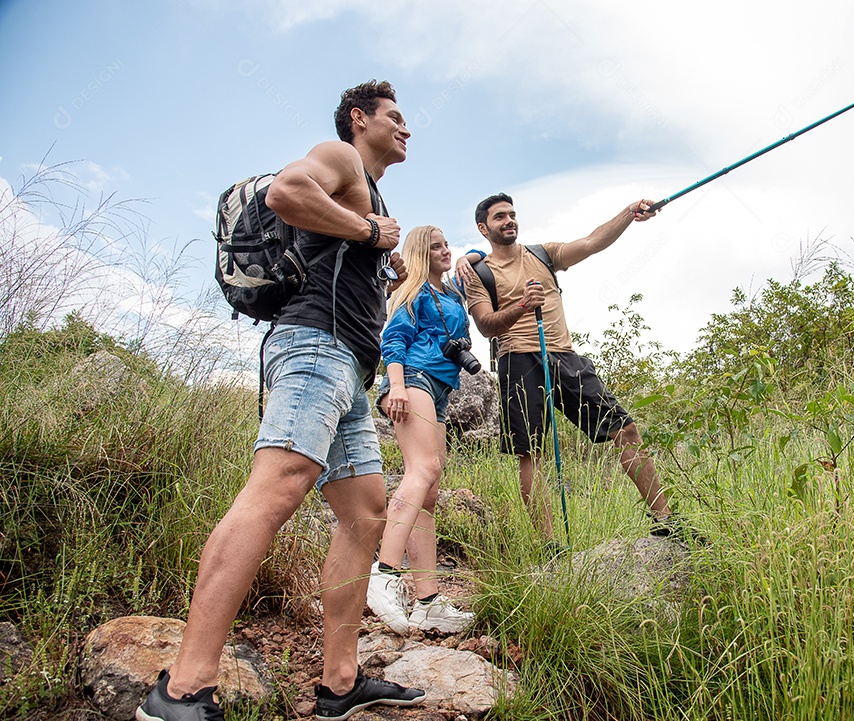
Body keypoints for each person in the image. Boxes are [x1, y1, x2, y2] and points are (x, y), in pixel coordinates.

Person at [137, 81, 427, 721]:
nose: (407, 129)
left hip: (349, 366)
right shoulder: (340, 157)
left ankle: (339, 683)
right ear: (360, 121)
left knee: (365, 515)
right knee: (278, 487)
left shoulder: (371, 191)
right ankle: (179, 691)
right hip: (311, 348)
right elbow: (286, 193)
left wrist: (384, 262)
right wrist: (368, 230)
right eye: (395, 118)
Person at [459, 193, 695, 548]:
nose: (509, 221)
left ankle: (665, 520)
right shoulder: (479, 272)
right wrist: (523, 305)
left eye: (512, 215)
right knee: (531, 452)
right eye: (499, 218)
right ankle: (550, 545)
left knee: (625, 428)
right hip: (519, 360)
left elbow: (591, 243)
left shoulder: (543, 253)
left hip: (565, 356)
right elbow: (486, 326)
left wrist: (629, 213)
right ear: (484, 227)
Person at [365, 225, 477, 636]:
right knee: (423, 469)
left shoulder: (450, 293)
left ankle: (427, 602)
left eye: (447, 244)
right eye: (436, 247)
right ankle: (384, 573)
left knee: (428, 493)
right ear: (419, 253)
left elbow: (480, 253)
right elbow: (392, 341)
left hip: (441, 388)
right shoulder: (411, 291)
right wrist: (395, 386)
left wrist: (472, 255)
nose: (445, 251)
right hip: (413, 378)